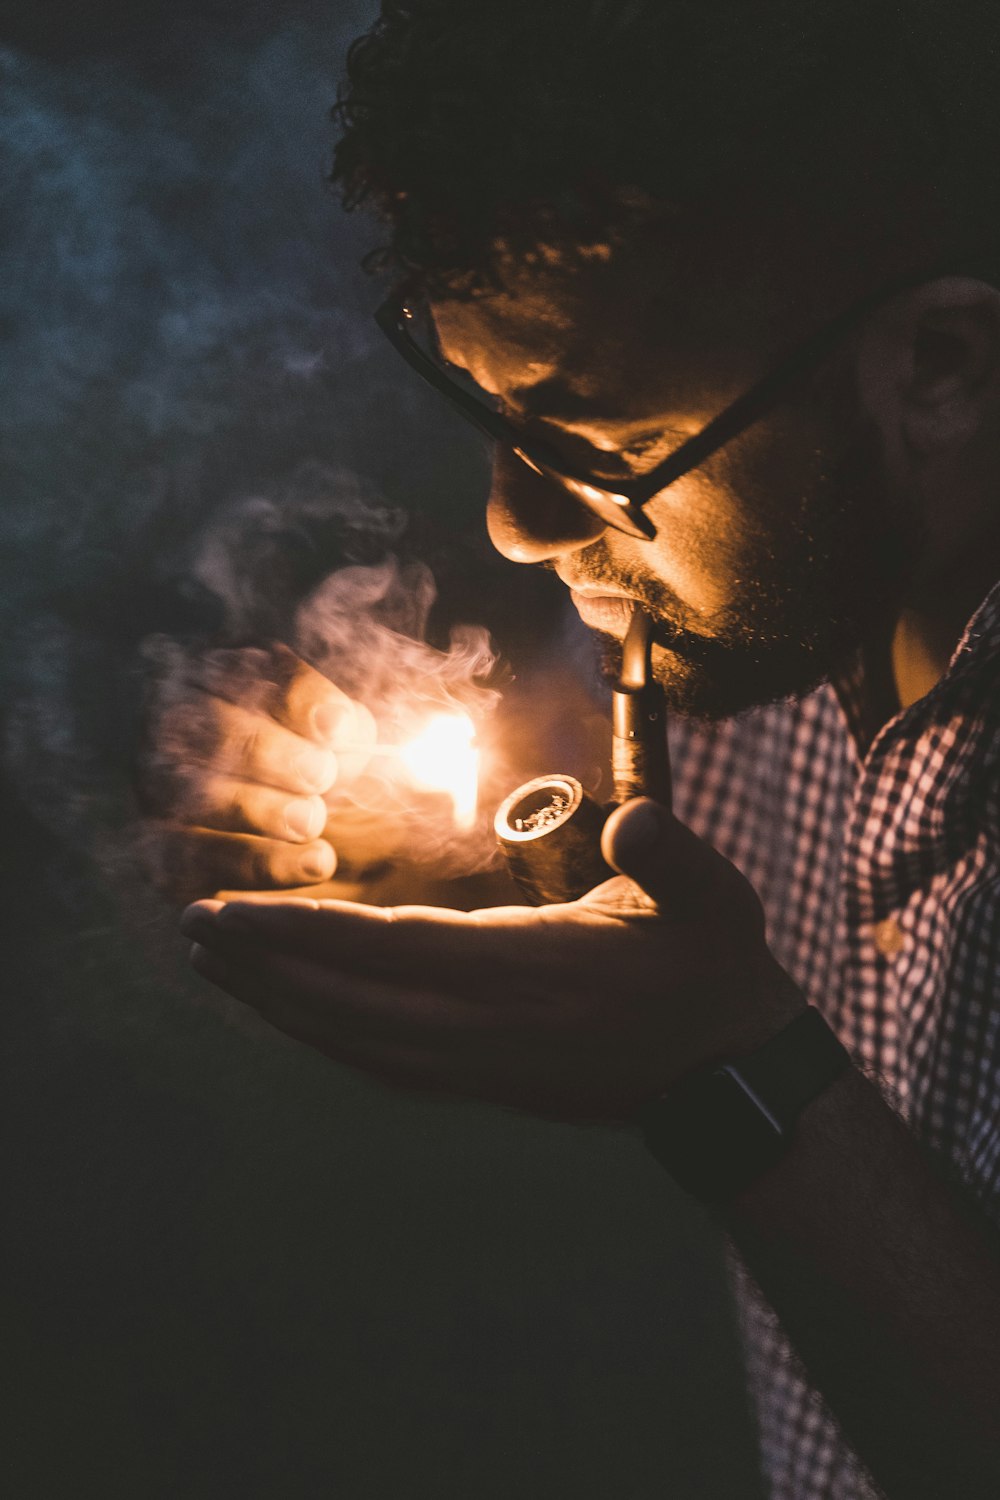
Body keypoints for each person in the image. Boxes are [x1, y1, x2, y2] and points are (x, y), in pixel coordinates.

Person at [147, 3, 1000, 1495]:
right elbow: (562, 752)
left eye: (598, 453)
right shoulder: (768, 595)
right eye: (490, 417)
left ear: (939, 367)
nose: (517, 525)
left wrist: (734, 1077)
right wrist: (361, 802)